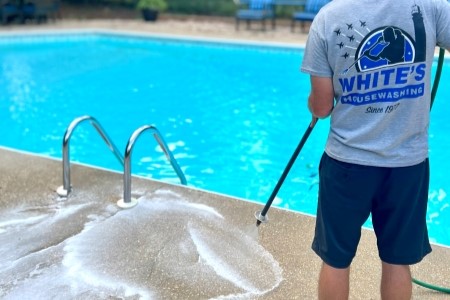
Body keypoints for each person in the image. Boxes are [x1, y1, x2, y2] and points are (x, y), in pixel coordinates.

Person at [300, 0, 450, 299]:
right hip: (407, 166)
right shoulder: (431, 7)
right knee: (397, 261)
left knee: (336, 261)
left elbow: (322, 106)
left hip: (346, 164)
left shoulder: (329, 18)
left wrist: (313, 104)